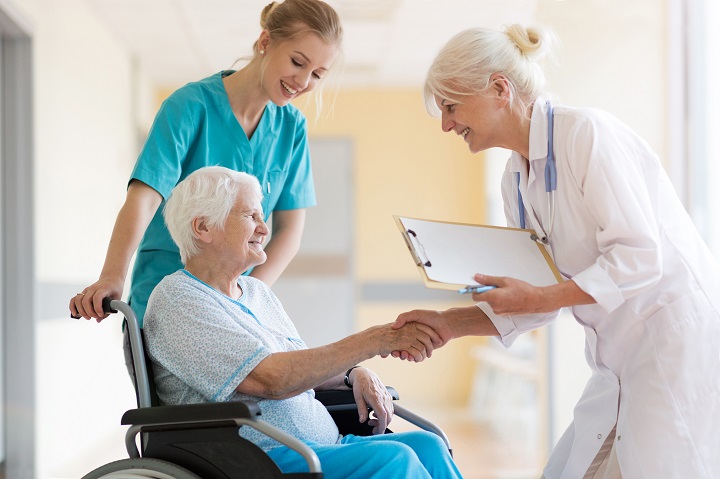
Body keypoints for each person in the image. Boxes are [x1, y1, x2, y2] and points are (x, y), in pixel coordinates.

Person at [392, 25, 720, 479]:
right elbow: (533, 301)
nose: (447, 124)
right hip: (619, 363)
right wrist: (448, 325)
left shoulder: (586, 134)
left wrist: (541, 297)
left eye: (451, 106)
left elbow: (640, 256)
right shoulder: (515, 179)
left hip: (673, 346)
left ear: (500, 89)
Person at [144, 166, 462, 479]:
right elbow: (273, 380)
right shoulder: (179, 298)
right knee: (393, 459)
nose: (264, 228)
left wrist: (353, 373)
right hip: (260, 458)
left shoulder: (256, 292)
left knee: (427, 445)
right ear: (203, 228)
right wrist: (375, 340)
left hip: (322, 446)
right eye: (250, 216)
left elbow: (301, 367)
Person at [70, 0, 342, 325]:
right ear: (266, 42)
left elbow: (289, 232)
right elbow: (144, 196)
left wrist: (247, 296)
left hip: (233, 305)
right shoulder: (190, 106)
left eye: (317, 74)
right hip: (167, 292)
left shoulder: (291, 129)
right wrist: (112, 275)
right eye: (298, 62)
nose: (303, 81)